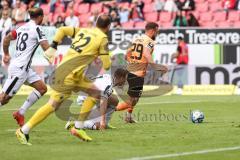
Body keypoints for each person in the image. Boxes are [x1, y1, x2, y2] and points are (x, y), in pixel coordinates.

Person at [16, 14, 112, 145]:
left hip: (74, 73)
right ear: (108, 26)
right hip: (68, 75)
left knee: (96, 93)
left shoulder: (84, 30)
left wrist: (54, 45)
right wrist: (104, 54)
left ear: (96, 23)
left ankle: (78, 127)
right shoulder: (103, 39)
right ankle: (24, 130)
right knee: (53, 105)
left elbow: (62, 30)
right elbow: (106, 65)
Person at [0, 8, 50, 127]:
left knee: (42, 88)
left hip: (24, 69)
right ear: (41, 17)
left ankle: (20, 113)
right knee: (4, 99)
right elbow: (45, 46)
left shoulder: (22, 27)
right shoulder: (37, 28)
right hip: (19, 70)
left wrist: (6, 53)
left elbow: (7, 38)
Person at [116, 22, 168, 123]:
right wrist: (157, 67)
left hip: (132, 71)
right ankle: (106, 110)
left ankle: (128, 116)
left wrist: (132, 61)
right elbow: (147, 54)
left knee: (135, 99)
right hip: (137, 74)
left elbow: (127, 54)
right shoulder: (150, 41)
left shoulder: (137, 39)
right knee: (130, 101)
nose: (157, 34)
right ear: (152, 30)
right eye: (157, 31)